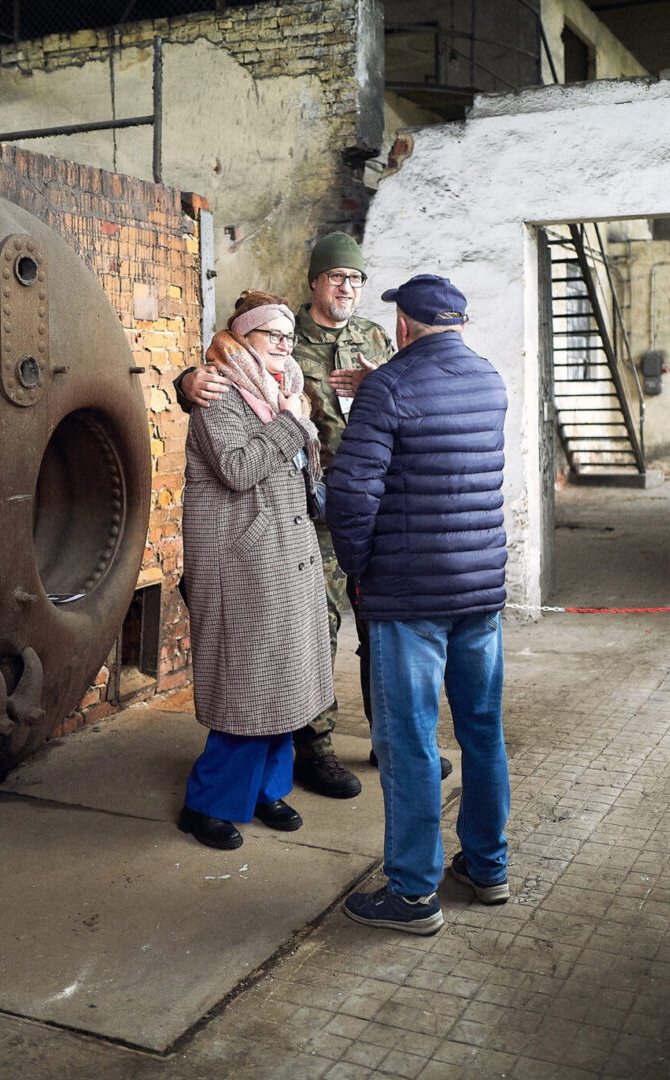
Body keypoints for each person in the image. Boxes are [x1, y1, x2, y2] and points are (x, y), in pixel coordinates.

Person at [180, 233, 450, 800]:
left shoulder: (373, 338)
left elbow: (412, 404)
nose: (346, 287)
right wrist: (184, 383)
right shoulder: (278, 341)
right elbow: (220, 377)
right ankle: (314, 748)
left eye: (355, 279)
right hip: (311, 515)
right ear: (315, 282)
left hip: (374, 510)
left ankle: (393, 739)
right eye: (336, 277)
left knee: (385, 630)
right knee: (312, 634)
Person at [327, 274, 509, 935]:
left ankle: (411, 894)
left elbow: (350, 496)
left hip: (407, 597)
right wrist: (386, 382)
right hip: (479, 590)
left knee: (407, 744)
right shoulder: (488, 380)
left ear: (403, 326)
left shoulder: (389, 388)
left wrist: (357, 570)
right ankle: (487, 868)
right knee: (481, 733)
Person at [176, 290, 333, 851]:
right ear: (244, 336)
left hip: (284, 560)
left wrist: (295, 417)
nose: (285, 346)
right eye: (273, 336)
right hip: (241, 565)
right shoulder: (218, 393)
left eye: (290, 337)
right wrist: (294, 424)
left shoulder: (285, 389)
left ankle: (265, 791)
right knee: (248, 688)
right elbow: (239, 469)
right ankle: (208, 804)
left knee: (286, 683)